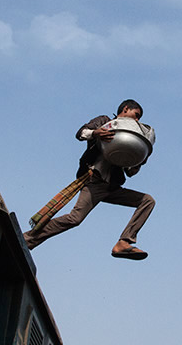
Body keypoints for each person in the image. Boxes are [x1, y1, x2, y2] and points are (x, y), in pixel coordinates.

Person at [23, 100, 155, 259]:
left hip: (111, 187)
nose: (137, 121)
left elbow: (130, 172)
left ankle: (124, 242)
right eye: (136, 115)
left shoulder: (129, 137)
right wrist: (96, 133)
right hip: (95, 182)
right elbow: (81, 133)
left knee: (147, 201)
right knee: (74, 219)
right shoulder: (106, 122)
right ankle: (28, 239)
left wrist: (141, 158)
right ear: (126, 109)